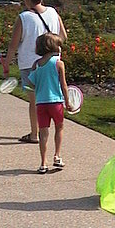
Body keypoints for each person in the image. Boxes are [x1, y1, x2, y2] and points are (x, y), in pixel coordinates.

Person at [1, 0, 67, 144]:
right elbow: (63, 36)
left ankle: (34, 134)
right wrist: (52, 48)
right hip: (52, 63)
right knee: (51, 97)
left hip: (30, 66)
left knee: (35, 101)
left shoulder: (23, 18)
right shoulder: (53, 12)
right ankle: (51, 130)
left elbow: (13, 45)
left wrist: (7, 64)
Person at [27, 33, 72, 174]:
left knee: (43, 132)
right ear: (52, 47)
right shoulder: (59, 64)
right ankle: (57, 156)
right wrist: (68, 101)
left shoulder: (36, 65)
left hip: (41, 103)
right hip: (56, 102)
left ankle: (43, 163)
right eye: (58, 45)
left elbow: (31, 85)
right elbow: (63, 85)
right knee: (59, 128)